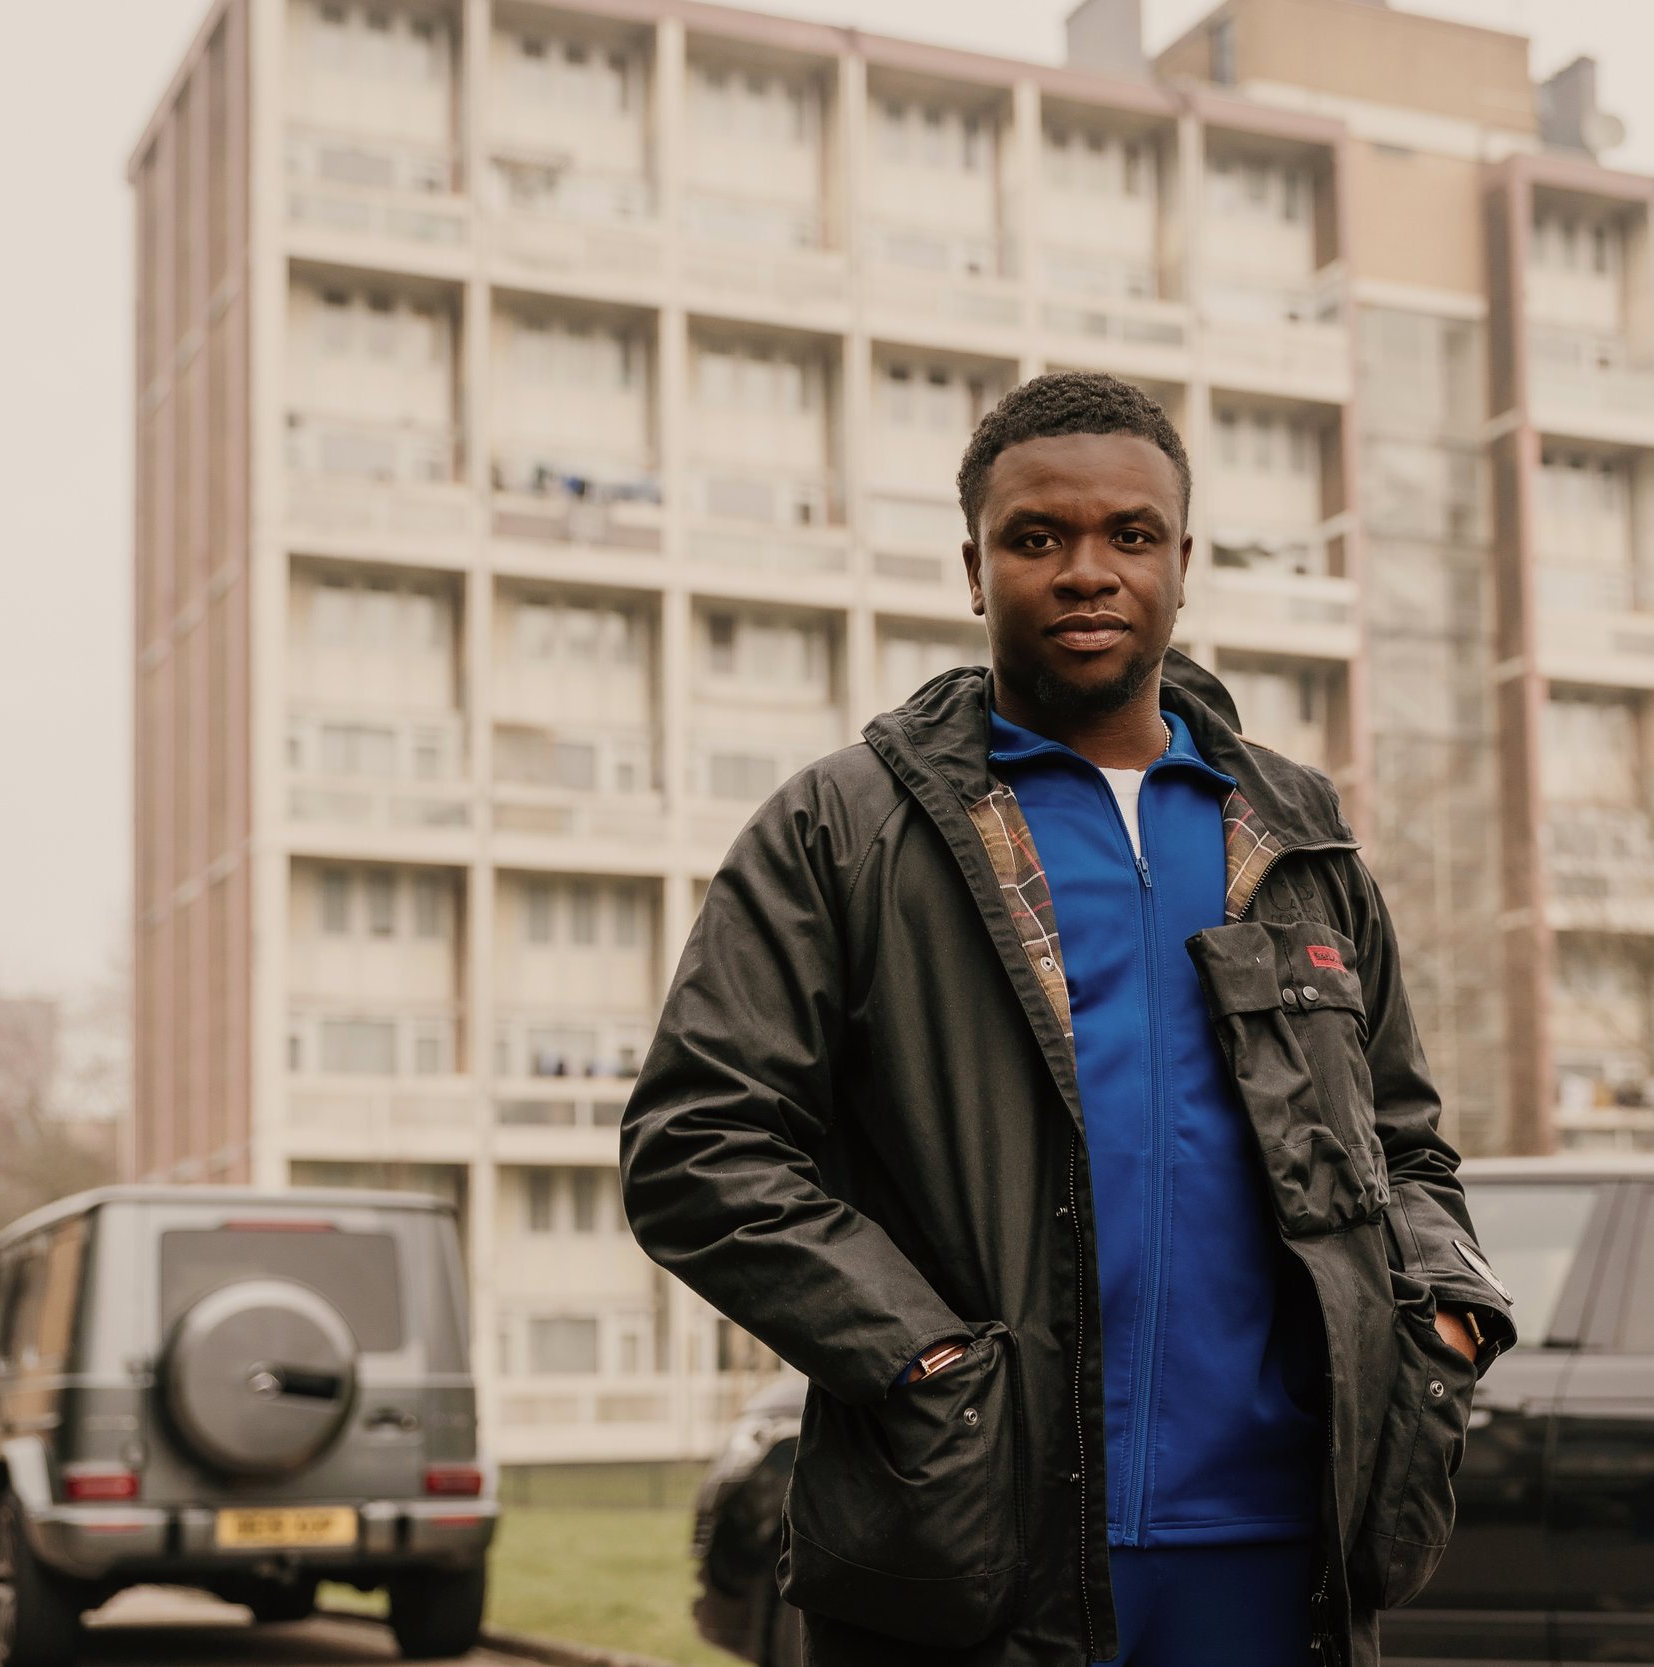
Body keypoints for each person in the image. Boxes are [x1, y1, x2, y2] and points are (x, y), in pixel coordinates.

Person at [622, 371, 1514, 1667]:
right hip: (971, 1549)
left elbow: (1405, 1147)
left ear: (1183, 563)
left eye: (1129, 536)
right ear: (977, 570)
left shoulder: (1296, 835)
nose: (1087, 571)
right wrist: (924, 1360)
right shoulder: (849, 828)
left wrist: (1438, 1316)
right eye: (1038, 538)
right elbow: (697, 1147)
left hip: (1279, 1547)